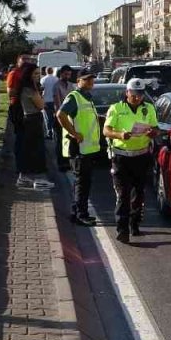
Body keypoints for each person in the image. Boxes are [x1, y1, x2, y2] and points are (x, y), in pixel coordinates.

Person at [102, 78, 159, 243]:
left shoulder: (148, 108)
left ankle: (134, 224)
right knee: (123, 195)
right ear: (127, 92)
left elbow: (155, 127)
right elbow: (106, 130)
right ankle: (122, 229)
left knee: (138, 194)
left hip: (141, 157)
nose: (137, 98)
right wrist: (120, 135)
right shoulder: (116, 108)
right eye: (134, 94)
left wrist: (152, 133)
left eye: (140, 95)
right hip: (121, 157)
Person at [57, 69, 102, 227]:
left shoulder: (87, 98)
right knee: (82, 183)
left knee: (83, 183)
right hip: (78, 148)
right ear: (78, 82)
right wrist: (74, 133)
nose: (90, 82)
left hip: (86, 149)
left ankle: (76, 212)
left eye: (92, 79)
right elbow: (60, 115)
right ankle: (81, 215)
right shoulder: (74, 97)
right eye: (86, 79)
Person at [16, 63, 55, 189]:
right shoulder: (29, 89)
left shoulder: (30, 88)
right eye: (35, 74)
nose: (38, 76)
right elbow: (41, 105)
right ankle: (39, 179)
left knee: (30, 149)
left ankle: (24, 177)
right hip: (33, 119)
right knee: (37, 150)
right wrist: (40, 96)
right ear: (29, 75)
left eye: (39, 73)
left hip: (31, 119)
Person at [6, 54, 28, 169]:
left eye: (27, 59)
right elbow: (10, 92)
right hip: (17, 106)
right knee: (20, 134)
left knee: (25, 135)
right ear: (17, 61)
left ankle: (24, 158)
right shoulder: (14, 74)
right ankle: (19, 160)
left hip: (27, 107)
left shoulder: (27, 74)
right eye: (23, 59)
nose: (25, 61)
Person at [52, 65, 75, 172]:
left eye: (69, 74)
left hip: (70, 117)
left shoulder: (71, 86)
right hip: (60, 116)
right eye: (66, 74)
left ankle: (68, 161)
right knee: (60, 141)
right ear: (61, 74)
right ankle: (61, 163)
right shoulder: (56, 86)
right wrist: (60, 116)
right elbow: (57, 103)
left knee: (68, 140)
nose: (67, 76)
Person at [40, 66, 59, 139]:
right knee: (55, 117)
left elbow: (41, 90)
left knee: (47, 118)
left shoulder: (43, 79)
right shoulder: (56, 79)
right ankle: (55, 131)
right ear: (52, 71)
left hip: (46, 101)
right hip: (55, 101)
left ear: (46, 71)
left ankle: (49, 132)